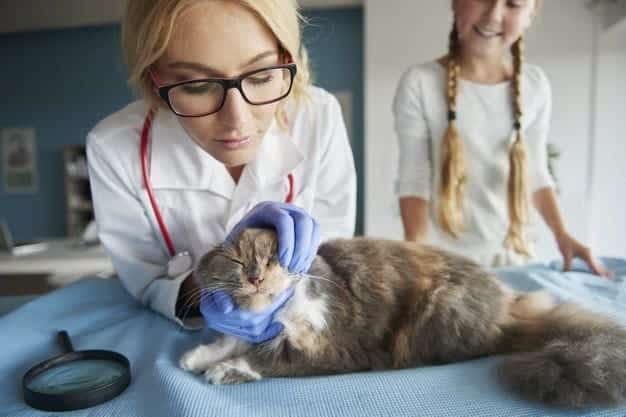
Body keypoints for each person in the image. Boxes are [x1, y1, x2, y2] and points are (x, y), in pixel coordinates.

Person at [87, 0, 357, 341]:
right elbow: (146, 280)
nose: (237, 122)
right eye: (197, 86)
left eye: (261, 76)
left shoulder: (319, 116)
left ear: (287, 58)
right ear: (154, 78)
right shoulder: (113, 148)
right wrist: (207, 289)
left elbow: (334, 254)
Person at [393, 0, 609, 275]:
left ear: (531, 13)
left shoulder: (535, 85)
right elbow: (414, 179)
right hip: (445, 265)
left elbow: (537, 174)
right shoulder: (420, 82)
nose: (494, 15)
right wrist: (417, 257)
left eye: (513, 4)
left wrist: (562, 234)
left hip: (515, 260)